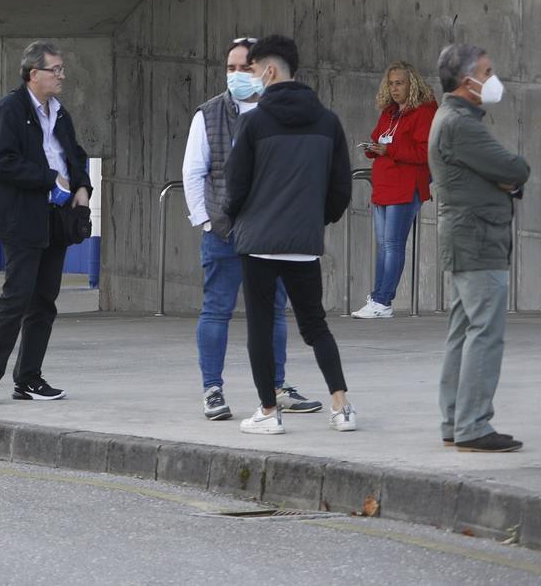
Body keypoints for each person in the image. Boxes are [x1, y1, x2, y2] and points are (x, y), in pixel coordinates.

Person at [224, 33, 357, 436]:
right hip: (303, 242)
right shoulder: (328, 121)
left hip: (259, 243)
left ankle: (268, 411)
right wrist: (316, 221)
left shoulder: (253, 122)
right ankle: (341, 405)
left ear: (269, 70)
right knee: (315, 325)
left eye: (251, 70)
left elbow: (236, 184)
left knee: (261, 328)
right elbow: (340, 188)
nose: (249, 78)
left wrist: (235, 217)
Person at [183, 37, 321, 421]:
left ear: (264, 69)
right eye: (231, 67)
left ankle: (277, 387)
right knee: (217, 309)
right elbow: (194, 172)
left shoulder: (281, 113)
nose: (238, 75)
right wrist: (208, 221)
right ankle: (213, 389)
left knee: (275, 312)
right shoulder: (208, 114)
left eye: (245, 67)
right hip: (225, 232)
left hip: (270, 233)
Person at [0, 41, 91, 406]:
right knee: (16, 298)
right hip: (22, 217)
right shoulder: (10, 108)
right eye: (56, 69)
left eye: (62, 69)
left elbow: (75, 153)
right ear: (33, 73)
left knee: (44, 300)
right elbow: (3, 161)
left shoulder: (59, 112)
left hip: (57, 215)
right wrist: (50, 178)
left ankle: (29, 378)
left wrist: (82, 186)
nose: (62, 75)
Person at [429, 43, 531, 453]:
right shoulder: (461, 124)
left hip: (468, 237)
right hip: (478, 239)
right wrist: (509, 179)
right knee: (485, 332)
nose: (492, 80)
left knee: (465, 330)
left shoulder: (453, 120)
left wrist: (506, 179)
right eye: (486, 72)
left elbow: (505, 175)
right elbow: (515, 168)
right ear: (466, 81)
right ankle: (472, 425)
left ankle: (456, 419)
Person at [351, 61, 438, 319]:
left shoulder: (423, 112)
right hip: (384, 184)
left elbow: (425, 153)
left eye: (399, 83)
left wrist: (389, 151)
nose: (394, 88)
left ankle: (383, 300)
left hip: (406, 185)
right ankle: (378, 297)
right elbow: (379, 138)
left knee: (392, 244)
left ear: (412, 84)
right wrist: (372, 147)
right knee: (383, 245)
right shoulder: (390, 112)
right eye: (391, 83)